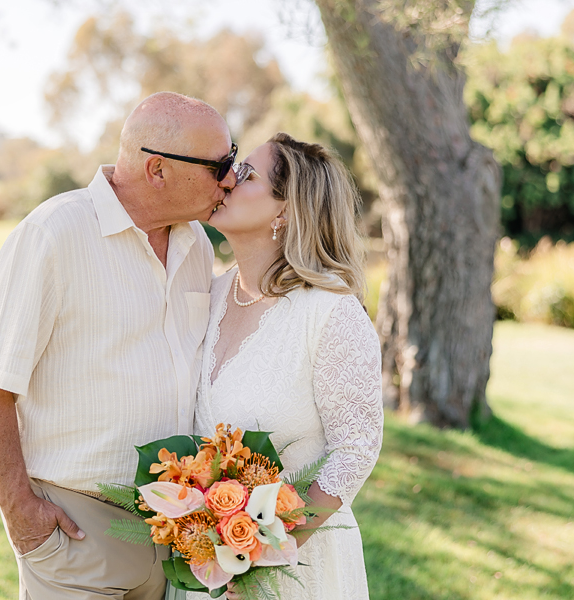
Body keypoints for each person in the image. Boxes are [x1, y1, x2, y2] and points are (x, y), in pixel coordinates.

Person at [0, 91, 237, 600]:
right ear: (157, 170)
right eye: (220, 165)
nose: (231, 179)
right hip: (75, 529)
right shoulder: (53, 233)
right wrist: (23, 513)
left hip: (174, 532)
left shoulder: (196, 244)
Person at [189, 133, 383, 599]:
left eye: (247, 173)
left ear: (287, 209)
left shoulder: (329, 311)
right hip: (207, 568)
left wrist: (260, 552)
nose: (227, 179)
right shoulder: (209, 295)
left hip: (294, 571)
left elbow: (354, 451)